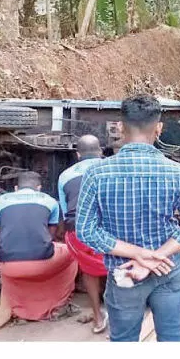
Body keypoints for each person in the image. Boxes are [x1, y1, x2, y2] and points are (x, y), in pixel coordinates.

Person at [77, 94, 180, 342]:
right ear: (158, 129)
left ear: (120, 127)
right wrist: (156, 256)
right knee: (171, 337)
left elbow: (86, 230)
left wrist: (138, 255)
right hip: (167, 268)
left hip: (124, 273)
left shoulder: (97, 173)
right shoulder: (179, 173)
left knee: (124, 340)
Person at [0, 171, 78, 321]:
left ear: (15, 188)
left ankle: (20, 309)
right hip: (41, 263)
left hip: (8, 265)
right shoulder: (50, 201)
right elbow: (49, 237)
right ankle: (59, 305)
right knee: (73, 252)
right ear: (39, 188)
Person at [57, 135, 108, 333]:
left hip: (79, 233)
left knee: (88, 270)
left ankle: (97, 317)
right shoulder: (111, 166)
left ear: (78, 155)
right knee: (119, 266)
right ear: (101, 152)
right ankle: (121, 315)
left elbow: (65, 212)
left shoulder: (64, 175)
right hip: (109, 230)